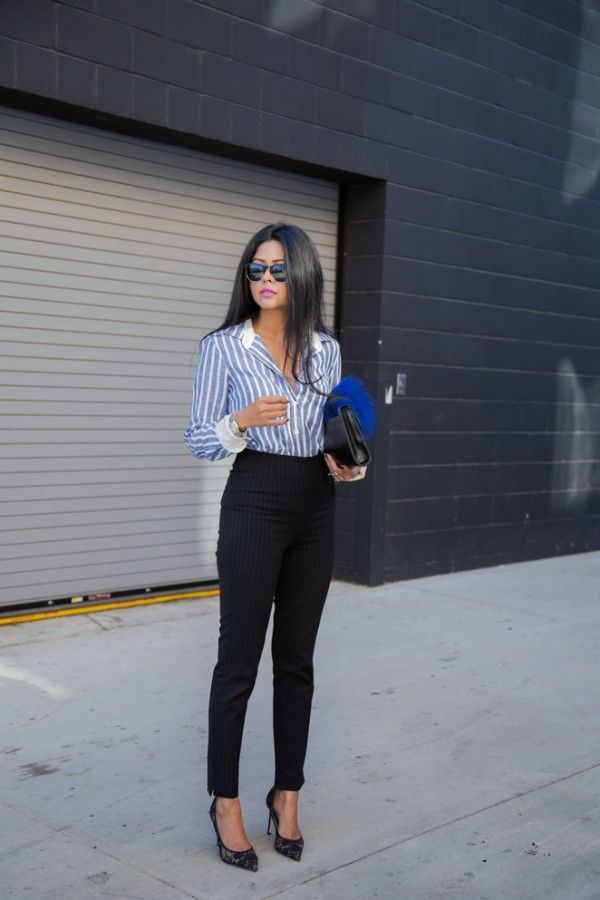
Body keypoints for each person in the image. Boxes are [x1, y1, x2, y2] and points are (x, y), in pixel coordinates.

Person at [183, 222, 367, 872]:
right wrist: (238, 422)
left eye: (278, 270)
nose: (264, 280)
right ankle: (225, 801)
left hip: (316, 506)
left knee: (297, 663)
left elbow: (336, 435)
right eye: (256, 269)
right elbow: (199, 439)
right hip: (254, 499)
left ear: (302, 277)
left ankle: (286, 794)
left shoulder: (326, 351)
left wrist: (351, 467)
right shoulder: (223, 348)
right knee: (237, 664)